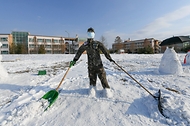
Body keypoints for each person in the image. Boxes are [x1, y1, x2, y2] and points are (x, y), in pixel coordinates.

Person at [70, 27, 115, 97]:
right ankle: (93, 89)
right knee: (92, 79)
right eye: (89, 32)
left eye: (91, 32)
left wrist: (110, 58)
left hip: (99, 65)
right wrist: (75, 60)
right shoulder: (86, 44)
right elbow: (79, 52)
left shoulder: (97, 43)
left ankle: (106, 89)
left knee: (103, 78)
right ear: (87, 34)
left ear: (94, 34)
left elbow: (105, 51)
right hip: (91, 66)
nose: (90, 34)